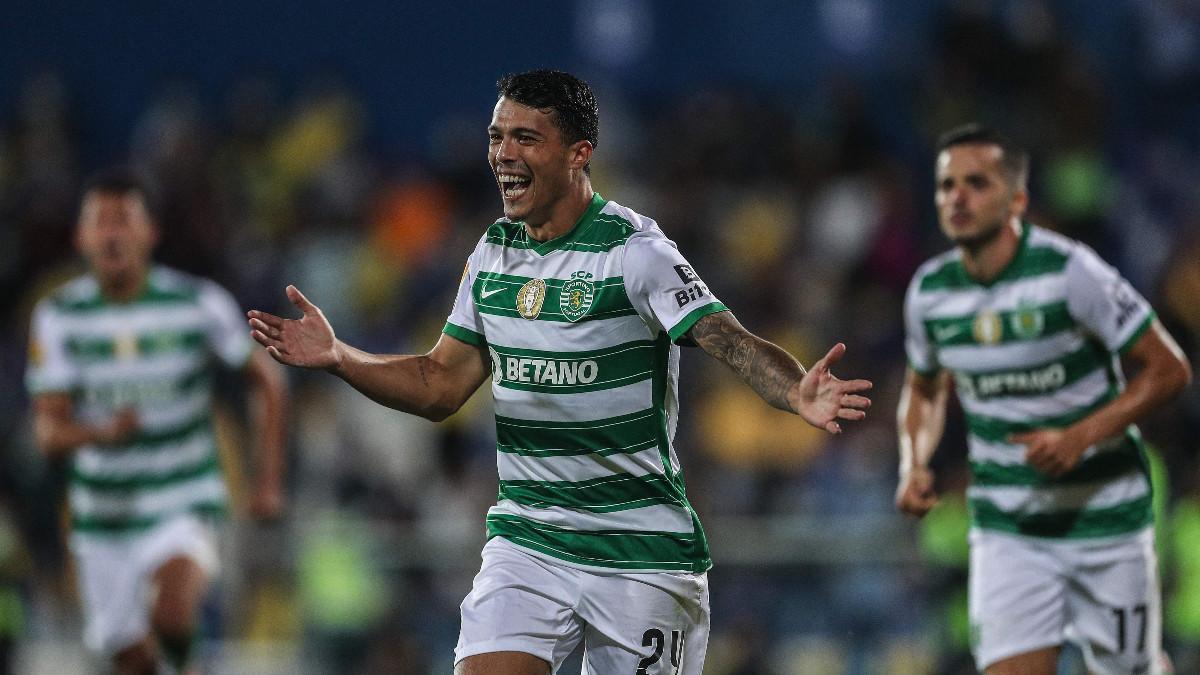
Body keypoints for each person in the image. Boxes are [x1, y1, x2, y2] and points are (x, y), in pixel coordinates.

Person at [248, 69, 873, 675]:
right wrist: (339, 357)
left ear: (580, 154)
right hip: (530, 540)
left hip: (640, 552)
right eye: (497, 136)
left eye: (526, 138)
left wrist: (792, 387)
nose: (503, 154)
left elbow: (722, 336)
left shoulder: (636, 252)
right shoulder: (493, 254)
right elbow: (440, 386)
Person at [896, 124, 1193, 675]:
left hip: (1102, 515)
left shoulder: (1072, 273)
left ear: (1017, 198)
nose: (957, 197)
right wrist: (914, 461)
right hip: (1010, 528)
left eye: (976, 183)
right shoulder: (931, 294)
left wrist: (1080, 435)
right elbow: (924, 388)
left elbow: (1169, 369)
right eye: (946, 185)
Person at [25, 168, 288, 674]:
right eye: (100, 222)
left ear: (150, 233)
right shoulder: (59, 317)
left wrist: (267, 479)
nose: (112, 233)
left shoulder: (197, 304)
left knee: (171, 613)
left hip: (182, 495)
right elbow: (48, 433)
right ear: (81, 237)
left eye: (124, 220)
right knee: (132, 660)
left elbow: (268, 382)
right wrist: (100, 432)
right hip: (103, 513)